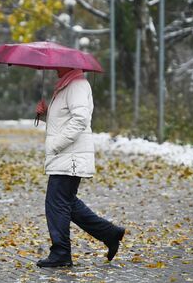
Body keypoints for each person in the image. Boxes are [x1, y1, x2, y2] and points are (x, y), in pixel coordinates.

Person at [35, 67, 125, 268]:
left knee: (56, 203)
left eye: (58, 65)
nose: (54, 68)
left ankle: (61, 253)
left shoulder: (77, 85)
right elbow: (64, 121)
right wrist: (45, 115)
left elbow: (80, 120)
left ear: (69, 66)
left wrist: (56, 144)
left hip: (70, 156)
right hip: (67, 155)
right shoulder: (66, 86)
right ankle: (110, 233)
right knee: (67, 203)